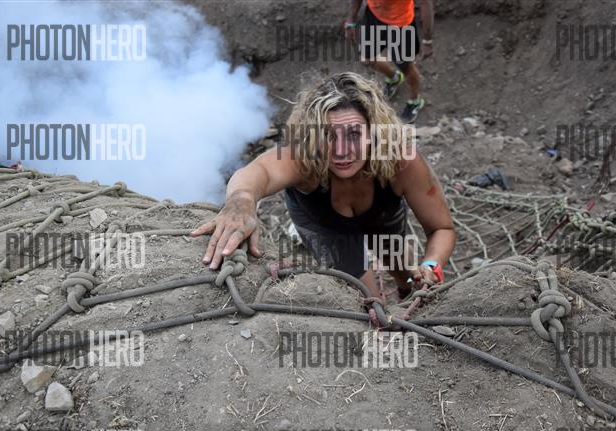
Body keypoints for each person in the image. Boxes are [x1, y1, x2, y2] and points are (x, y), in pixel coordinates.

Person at [191, 72, 455, 298]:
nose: (341, 151)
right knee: (363, 294)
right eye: (328, 135)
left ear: (374, 133)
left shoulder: (400, 160)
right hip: (324, 222)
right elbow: (259, 171)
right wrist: (241, 201)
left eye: (354, 134)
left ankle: (407, 294)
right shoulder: (304, 156)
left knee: (401, 265)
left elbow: (441, 228)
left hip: (382, 213)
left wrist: (431, 266)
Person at [344, 0, 434, 124]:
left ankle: (415, 101)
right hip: (373, 17)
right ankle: (394, 78)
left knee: (406, 67)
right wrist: (351, 20)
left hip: (401, 25)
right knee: (366, 59)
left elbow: (425, 3)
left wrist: (427, 40)